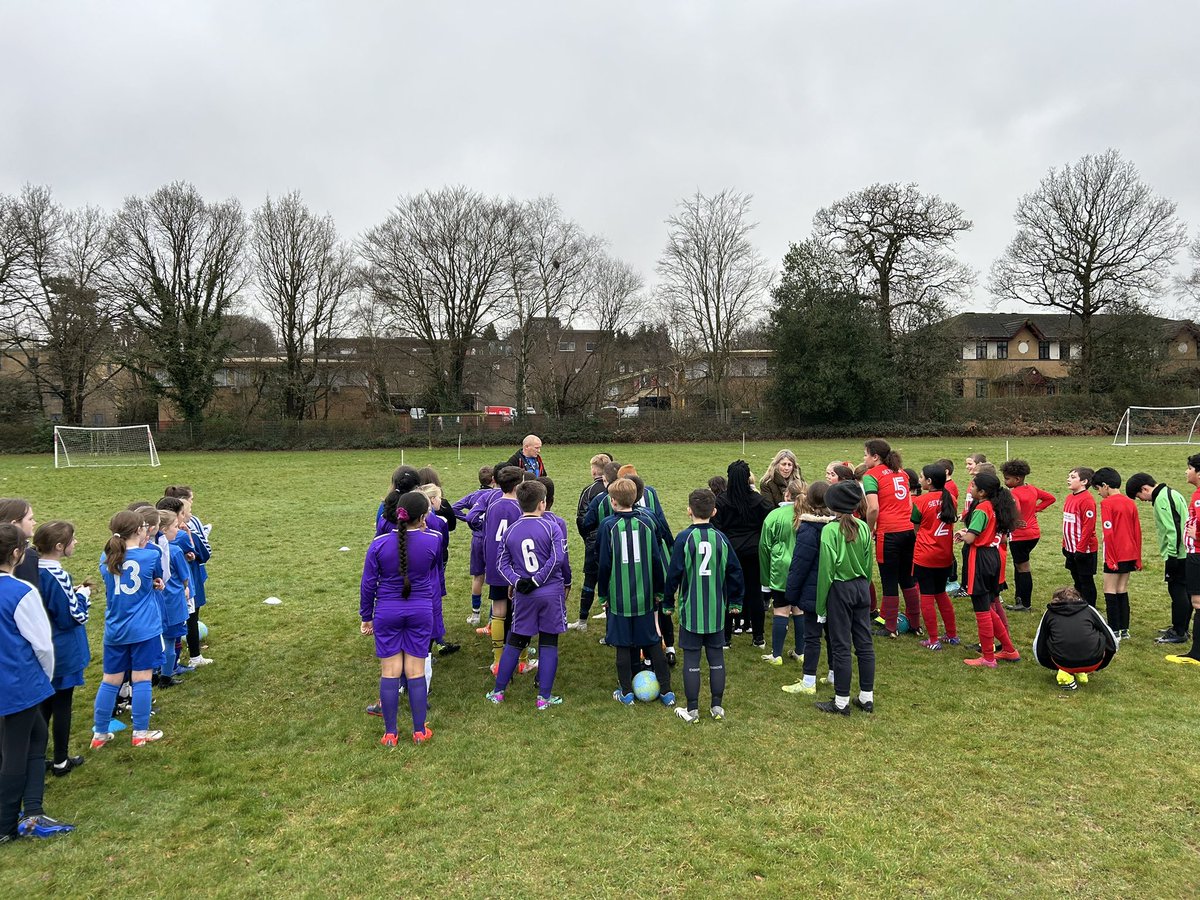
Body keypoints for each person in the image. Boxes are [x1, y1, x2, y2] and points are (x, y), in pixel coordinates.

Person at [0, 523, 75, 843]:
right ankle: (6, 824)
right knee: (16, 749)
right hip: (18, 682)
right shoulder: (21, 592)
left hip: (12, 683)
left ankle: (32, 811)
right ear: (17, 554)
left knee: (36, 735)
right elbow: (42, 645)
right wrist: (44, 676)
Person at [360, 490, 441, 745]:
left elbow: (368, 584)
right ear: (423, 517)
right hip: (421, 610)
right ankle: (419, 731)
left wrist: (366, 616)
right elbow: (434, 576)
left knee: (390, 671)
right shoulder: (434, 541)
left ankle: (390, 733)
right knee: (415, 671)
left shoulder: (379, 544)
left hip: (387, 612)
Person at [663, 488, 744, 722]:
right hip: (716, 611)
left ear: (689, 510)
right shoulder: (722, 539)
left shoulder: (684, 538)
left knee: (691, 658)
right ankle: (717, 707)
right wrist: (736, 601)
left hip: (691, 611)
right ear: (714, 512)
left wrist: (668, 602)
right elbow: (736, 571)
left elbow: (673, 574)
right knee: (716, 658)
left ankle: (692, 709)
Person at [489, 480, 570, 709]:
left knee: (515, 640)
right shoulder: (552, 527)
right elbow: (558, 559)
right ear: (542, 503)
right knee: (549, 642)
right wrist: (537, 580)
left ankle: (498, 692)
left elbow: (501, 563)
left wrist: (518, 581)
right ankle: (544, 697)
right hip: (550, 592)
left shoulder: (511, 530)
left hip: (524, 594)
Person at [91, 510, 165, 749]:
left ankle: (99, 734)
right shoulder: (150, 555)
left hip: (115, 628)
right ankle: (140, 733)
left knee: (110, 681)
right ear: (138, 531)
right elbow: (156, 577)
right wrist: (156, 583)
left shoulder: (106, 558)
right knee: (142, 679)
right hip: (144, 628)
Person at [596, 478, 673, 707]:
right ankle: (666, 691)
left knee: (622, 645)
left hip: (619, 599)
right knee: (652, 642)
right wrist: (659, 591)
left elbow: (604, 564)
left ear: (612, 501)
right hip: (645, 596)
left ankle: (626, 692)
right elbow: (656, 560)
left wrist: (603, 595)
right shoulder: (647, 523)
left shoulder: (607, 526)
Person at [32, 521, 91, 777]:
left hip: (42, 646)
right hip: (63, 649)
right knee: (63, 704)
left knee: (44, 706)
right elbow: (72, 616)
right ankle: (60, 760)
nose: (75, 542)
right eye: (72, 539)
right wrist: (83, 597)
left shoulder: (31, 570)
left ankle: (35, 759)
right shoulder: (57, 575)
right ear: (59, 546)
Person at [813, 481, 876, 715]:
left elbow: (826, 571)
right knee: (865, 643)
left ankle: (841, 701)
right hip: (861, 587)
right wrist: (863, 587)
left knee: (841, 645)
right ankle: (866, 697)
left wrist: (821, 607)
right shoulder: (863, 527)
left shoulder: (830, 530)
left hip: (840, 588)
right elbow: (868, 564)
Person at [467, 466, 529, 672]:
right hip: (514, 567)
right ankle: (522, 659)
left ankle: (498, 661)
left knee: (498, 613)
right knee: (519, 613)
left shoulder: (492, 506)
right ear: (518, 485)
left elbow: (486, 534)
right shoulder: (520, 508)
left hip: (495, 565)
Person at [957, 473, 1020, 668]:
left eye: (973, 486)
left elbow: (971, 538)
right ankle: (1009, 649)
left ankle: (988, 657)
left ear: (982, 492)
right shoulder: (995, 505)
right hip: (994, 556)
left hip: (980, 558)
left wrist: (962, 534)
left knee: (982, 609)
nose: (970, 489)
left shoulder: (981, 509)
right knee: (988, 605)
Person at [862, 439, 921, 638]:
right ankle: (915, 624)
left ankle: (890, 627)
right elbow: (909, 503)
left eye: (865, 454)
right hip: (908, 531)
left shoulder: (871, 475)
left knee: (889, 580)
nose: (864, 458)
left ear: (875, 457)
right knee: (907, 579)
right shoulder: (902, 472)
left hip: (888, 533)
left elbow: (873, 508)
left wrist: (869, 528)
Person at [1126, 470, 1191, 647]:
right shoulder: (1172, 492)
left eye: (1138, 496)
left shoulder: (1162, 499)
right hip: (1185, 551)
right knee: (1183, 590)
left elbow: (1173, 529)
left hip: (1179, 554)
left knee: (1177, 591)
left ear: (1144, 489)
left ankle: (1179, 631)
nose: (1141, 500)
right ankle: (1182, 627)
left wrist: (1172, 557)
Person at [714, 460, 773, 648]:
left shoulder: (721, 501)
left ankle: (725, 637)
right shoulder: (759, 501)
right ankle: (758, 637)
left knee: (728, 592)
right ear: (748, 478)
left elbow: (717, 527)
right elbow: (768, 523)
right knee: (755, 593)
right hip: (753, 552)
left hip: (730, 552)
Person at [782, 481, 834, 695]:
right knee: (832, 634)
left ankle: (809, 681)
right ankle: (833, 674)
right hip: (833, 589)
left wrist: (791, 593)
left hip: (814, 590)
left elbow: (800, 565)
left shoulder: (809, 529)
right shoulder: (837, 526)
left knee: (812, 636)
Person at [1033, 586, 1118, 690]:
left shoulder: (1049, 613)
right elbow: (1110, 636)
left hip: (1062, 663)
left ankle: (1068, 671)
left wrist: (1047, 662)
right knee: (1099, 634)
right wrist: (1104, 660)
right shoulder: (1089, 610)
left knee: (1049, 637)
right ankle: (1078, 671)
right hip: (1094, 662)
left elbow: (1039, 642)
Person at [759, 476, 805, 665]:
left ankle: (776, 654)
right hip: (803, 568)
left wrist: (765, 580)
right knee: (799, 609)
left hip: (781, 569)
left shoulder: (775, 515)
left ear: (787, 494)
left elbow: (764, 547)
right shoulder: (810, 514)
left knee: (781, 609)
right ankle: (801, 652)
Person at [1001, 459, 1057, 613]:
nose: (1005, 481)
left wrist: (1012, 521)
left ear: (1017, 479)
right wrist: (1035, 509)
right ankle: (1019, 598)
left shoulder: (1013, 493)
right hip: (1034, 534)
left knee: (1023, 567)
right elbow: (1051, 498)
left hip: (1020, 536)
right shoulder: (1032, 489)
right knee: (1020, 566)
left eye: (1007, 478)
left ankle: (1025, 603)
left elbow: (1016, 509)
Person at [913, 464, 959, 650]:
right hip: (945, 555)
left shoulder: (920, 501)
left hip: (925, 555)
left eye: (922, 477)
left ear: (930, 481)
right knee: (941, 593)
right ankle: (952, 635)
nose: (920, 480)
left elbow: (916, 527)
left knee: (926, 595)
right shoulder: (951, 498)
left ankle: (933, 640)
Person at [1092, 467, 1141, 639]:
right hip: (1130, 553)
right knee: (1122, 589)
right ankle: (1124, 628)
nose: (1098, 493)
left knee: (1109, 589)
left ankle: (1113, 629)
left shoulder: (1107, 503)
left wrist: (1111, 558)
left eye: (1098, 489)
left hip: (1114, 553)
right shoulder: (1130, 502)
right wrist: (1138, 558)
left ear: (1105, 486)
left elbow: (1108, 532)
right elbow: (1137, 531)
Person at [569, 454, 611, 631]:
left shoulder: (589, 491)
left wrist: (587, 538)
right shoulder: (617, 489)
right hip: (614, 541)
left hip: (594, 542)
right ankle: (612, 619)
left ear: (594, 471)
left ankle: (582, 621)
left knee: (590, 580)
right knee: (612, 579)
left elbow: (581, 519)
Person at [451, 465, 495, 626]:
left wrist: (468, 518)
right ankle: (493, 617)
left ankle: (475, 615)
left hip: (477, 538)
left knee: (478, 576)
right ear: (494, 480)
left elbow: (454, 508)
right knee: (495, 578)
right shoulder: (497, 496)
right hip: (492, 539)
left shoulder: (473, 496)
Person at [1062, 467, 1099, 608]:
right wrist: (1064, 544)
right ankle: (1079, 605)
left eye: (1073, 477)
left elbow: (1088, 527)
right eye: (1069, 476)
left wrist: (1081, 549)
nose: (1068, 479)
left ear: (1084, 481)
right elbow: (1067, 523)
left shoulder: (1087, 500)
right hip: (1070, 548)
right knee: (1076, 578)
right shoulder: (1069, 497)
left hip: (1084, 550)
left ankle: (1090, 608)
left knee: (1086, 580)